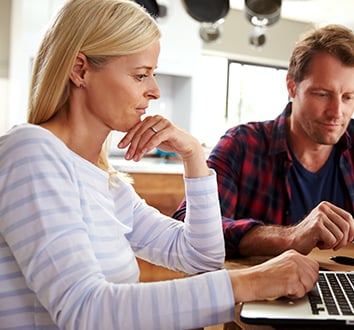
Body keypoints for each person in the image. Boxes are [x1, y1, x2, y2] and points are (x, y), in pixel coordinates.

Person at [0, 0, 318, 329]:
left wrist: (194, 155)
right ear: (80, 70)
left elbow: (200, 257)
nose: (154, 90)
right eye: (141, 75)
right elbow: (85, 311)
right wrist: (253, 282)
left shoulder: (106, 185)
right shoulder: (30, 153)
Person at [173, 24, 354, 258]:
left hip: (351, 289)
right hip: (265, 291)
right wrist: (289, 237)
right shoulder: (241, 144)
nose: (337, 112)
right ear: (292, 87)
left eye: (348, 97)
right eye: (322, 94)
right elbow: (189, 226)